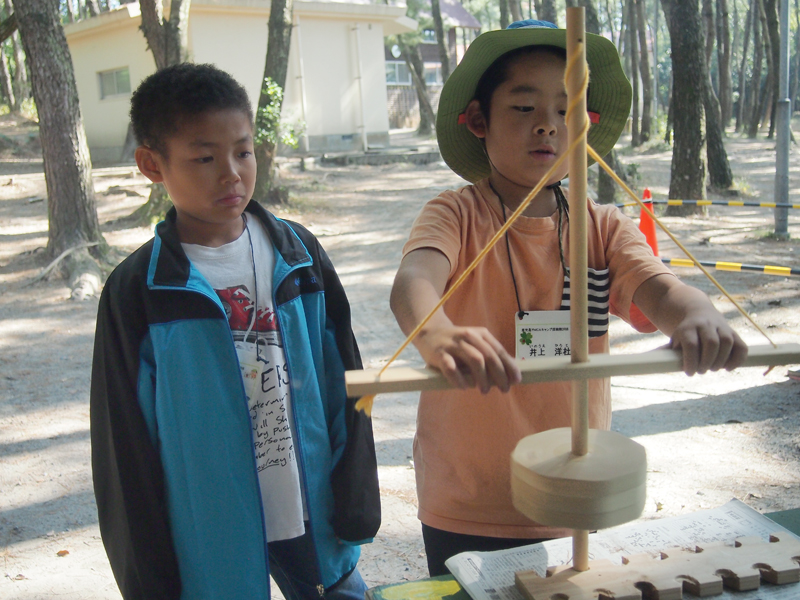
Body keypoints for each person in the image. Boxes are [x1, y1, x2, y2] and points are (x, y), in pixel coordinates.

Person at [389, 20, 748, 576]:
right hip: (468, 500)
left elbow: (660, 288)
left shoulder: (602, 225)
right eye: (524, 108)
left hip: (577, 490)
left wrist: (698, 315)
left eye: (565, 111)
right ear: (479, 120)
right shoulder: (455, 214)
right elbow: (414, 283)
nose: (548, 128)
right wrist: (437, 334)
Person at [90, 63, 380, 600]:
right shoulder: (138, 292)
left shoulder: (300, 255)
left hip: (309, 509)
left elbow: (346, 378)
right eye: (204, 158)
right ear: (152, 165)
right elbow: (125, 443)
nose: (231, 174)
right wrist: (147, 574)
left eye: (242, 151)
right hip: (209, 531)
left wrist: (355, 494)